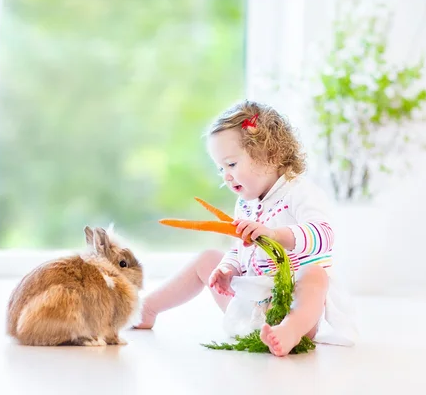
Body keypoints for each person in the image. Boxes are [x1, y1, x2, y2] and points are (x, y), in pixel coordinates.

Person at [135, 100, 357, 356]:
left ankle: (290, 331)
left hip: (296, 306)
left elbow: (324, 235)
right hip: (250, 309)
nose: (226, 176)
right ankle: (146, 309)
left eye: (231, 164)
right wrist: (228, 268)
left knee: (316, 275)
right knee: (208, 259)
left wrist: (275, 235)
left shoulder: (300, 192)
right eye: (220, 168)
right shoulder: (246, 204)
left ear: (270, 155)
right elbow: (241, 249)